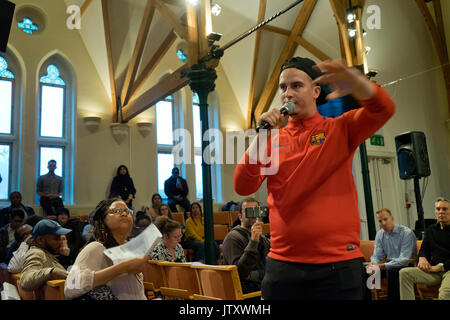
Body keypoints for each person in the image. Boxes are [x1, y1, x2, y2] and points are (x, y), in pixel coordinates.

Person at [234, 57, 396, 300]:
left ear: (316, 91)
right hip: (283, 267)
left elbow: (384, 109)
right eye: (283, 87)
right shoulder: (272, 141)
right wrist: (263, 135)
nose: (287, 93)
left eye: (296, 85)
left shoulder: (339, 129)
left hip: (337, 267)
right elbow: (242, 185)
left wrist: (357, 82)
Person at [64, 198, 149, 300]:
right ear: (103, 219)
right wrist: (122, 268)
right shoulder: (96, 247)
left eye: (127, 211)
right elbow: (70, 287)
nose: (124, 214)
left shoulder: (128, 249)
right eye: (116, 211)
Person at [399, 197, 450, 300]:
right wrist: (422, 258)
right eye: (438, 209)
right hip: (434, 271)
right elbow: (424, 249)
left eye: (445, 209)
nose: (441, 212)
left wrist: (441, 267)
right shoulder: (431, 229)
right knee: (404, 273)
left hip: (448, 270)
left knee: (444, 294)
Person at [365, 208, 417, 300]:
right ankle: (369, 297)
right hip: (387, 264)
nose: (383, 223)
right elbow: (377, 255)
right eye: (380, 221)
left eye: (385, 219)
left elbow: (404, 260)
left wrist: (382, 265)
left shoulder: (406, 233)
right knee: (363, 270)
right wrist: (373, 264)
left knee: (391, 270)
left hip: (406, 264)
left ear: (392, 218)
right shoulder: (380, 234)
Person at [222, 197, 270, 294]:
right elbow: (238, 273)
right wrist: (253, 242)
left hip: (264, 287)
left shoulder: (263, 238)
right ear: (240, 217)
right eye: (249, 212)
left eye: (256, 211)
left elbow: (269, 268)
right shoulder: (233, 238)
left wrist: (254, 275)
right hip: (246, 293)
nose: (253, 216)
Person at [19, 219, 71, 293]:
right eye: (56, 239)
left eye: (60, 239)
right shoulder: (36, 253)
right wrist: (50, 272)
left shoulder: (46, 252)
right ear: (40, 240)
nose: (61, 243)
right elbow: (25, 282)